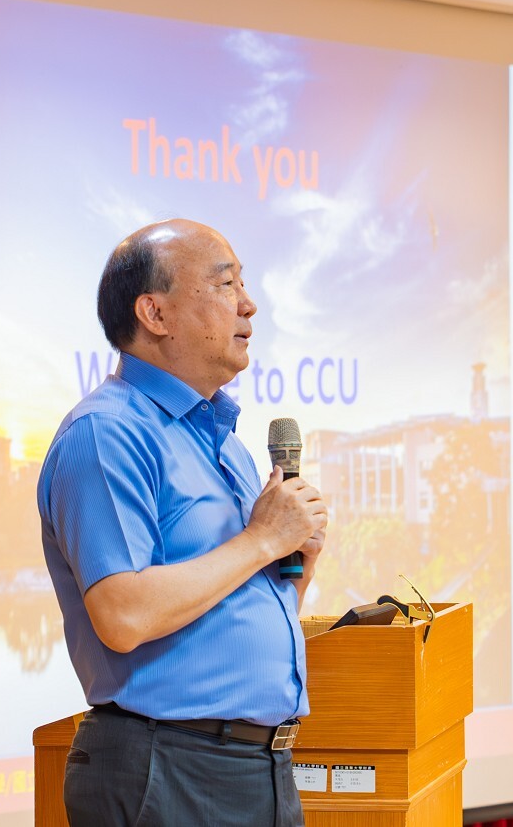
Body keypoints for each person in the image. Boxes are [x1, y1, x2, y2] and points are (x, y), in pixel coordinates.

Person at [37, 219, 328, 826]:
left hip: (260, 767)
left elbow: (231, 607)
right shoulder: (107, 432)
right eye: (226, 285)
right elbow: (123, 615)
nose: (248, 305)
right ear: (155, 313)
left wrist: (294, 561)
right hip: (167, 768)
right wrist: (261, 540)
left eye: (243, 284)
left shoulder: (224, 441)